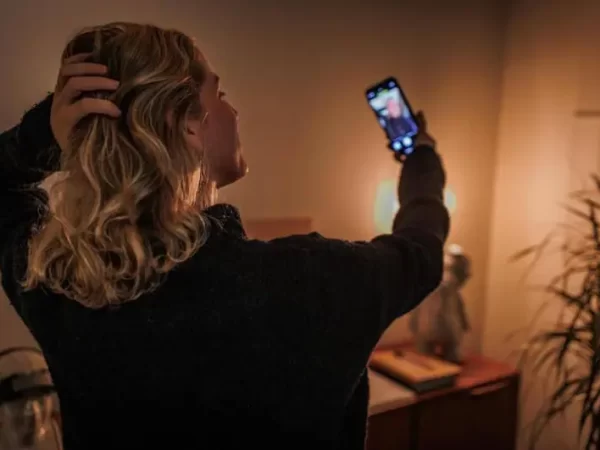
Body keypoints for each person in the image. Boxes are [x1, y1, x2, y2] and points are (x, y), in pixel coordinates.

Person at [0, 22, 449, 450]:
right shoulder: (314, 282)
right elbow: (421, 247)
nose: (233, 111)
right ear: (187, 124)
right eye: (220, 94)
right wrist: (422, 160)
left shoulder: (60, 286)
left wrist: (46, 133)